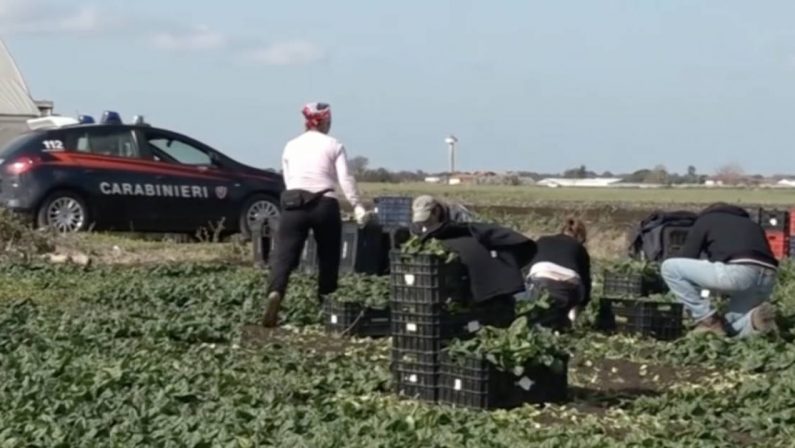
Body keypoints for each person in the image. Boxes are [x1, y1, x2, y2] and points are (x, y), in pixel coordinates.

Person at [262, 102, 369, 327]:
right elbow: (345, 179)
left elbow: (288, 178)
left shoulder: (291, 145)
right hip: (324, 203)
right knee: (328, 257)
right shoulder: (334, 144)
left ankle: (276, 293)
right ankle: (326, 305)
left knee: (284, 256)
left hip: (294, 204)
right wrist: (357, 205)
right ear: (326, 122)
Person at [660, 202, 778, 337]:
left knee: (669, 267)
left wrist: (693, 297)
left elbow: (688, 256)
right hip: (768, 278)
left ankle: (707, 319)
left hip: (739, 273)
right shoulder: (753, 225)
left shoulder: (706, 220)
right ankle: (753, 320)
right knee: (730, 324)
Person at [523, 218, 591, 330]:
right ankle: (566, 320)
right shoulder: (579, 248)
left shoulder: (543, 240)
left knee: (539, 311)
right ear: (581, 237)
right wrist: (583, 302)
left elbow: (526, 264)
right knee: (561, 313)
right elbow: (586, 281)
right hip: (568, 285)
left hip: (540, 276)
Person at [410, 195, 476, 234]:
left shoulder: (458, 214)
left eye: (427, 220)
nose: (424, 224)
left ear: (436, 211)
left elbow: (473, 231)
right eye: (421, 221)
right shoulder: (418, 223)